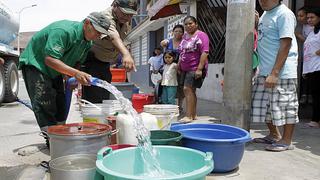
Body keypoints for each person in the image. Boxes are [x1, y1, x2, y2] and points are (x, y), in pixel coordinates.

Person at [19, 12, 111, 147]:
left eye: (101, 34)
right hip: (36, 64)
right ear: (87, 23)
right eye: (97, 31)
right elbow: (49, 59)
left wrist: (72, 77)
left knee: (60, 101)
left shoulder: (87, 43)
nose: (98, 36)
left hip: (56, 70)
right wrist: (76, 73)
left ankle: (60, 135)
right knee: (45, 101)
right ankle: (53, 141)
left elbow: (78, 62)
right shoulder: (63, 31)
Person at [252, 0, 299, 152]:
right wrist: (257, 21)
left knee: (286, 106)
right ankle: (274, 134)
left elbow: (285, 44)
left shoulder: (284, 14)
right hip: (265, 70)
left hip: (281, 72)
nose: (263, 1)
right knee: (264, 106)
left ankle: (287, 141)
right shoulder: (266, 13)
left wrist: (275, 73)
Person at [82, 0, 136, 103]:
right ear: (114, 5)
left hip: (104, 63)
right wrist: (126, 54)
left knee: (104, 96)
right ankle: (93, 118)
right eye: (125, 13)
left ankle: (100, 117)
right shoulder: (105, 17)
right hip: (92, 61)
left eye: (131, 15)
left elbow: (122, 40)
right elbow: (114, 37)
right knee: (94, 98)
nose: (127, 18)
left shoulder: (123, 20)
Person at [177, 16, 209, 123]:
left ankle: (188, 116)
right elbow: (182, 52)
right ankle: (193, 114)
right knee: (191, 90)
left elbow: (205, 52)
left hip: (195, 67)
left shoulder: (201, 35)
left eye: (190, 23)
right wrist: (179, 65)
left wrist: (199, 68)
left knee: (187, 89)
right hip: (184, 69)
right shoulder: (185, 36)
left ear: (196, 24)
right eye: (185, 24)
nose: (188, 26)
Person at [160, 24, 185, 112]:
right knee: (168, 85)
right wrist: (164, 42)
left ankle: (179, 105)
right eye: (176, 31)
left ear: (183, 33)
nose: (178, 33)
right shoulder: (169, 41)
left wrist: (179, 67)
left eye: (180, 31)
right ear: (172, 32)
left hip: (180, 67)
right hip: (169, 67)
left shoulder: (184, 41)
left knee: (180, 86)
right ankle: (169, 106)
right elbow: (162, 43)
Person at [302, 7, 320, 128]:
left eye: (312, 17)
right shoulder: (312, 32)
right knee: (315, 94)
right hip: (312, 68)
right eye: (307, 17)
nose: (309, 20)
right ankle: (316, 119)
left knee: (318, 95)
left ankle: (316, 120)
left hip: (319, 68)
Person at [295, 7, 313, 104]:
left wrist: (298, 35)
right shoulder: (303, 26)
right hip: (304, 56)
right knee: (304, 76)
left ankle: (308, 95)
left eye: (301, 16)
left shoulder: (312, 27)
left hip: (312, 57)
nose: (299, 18)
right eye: (298, 16)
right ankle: (304, 95)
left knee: (309, 76)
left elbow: (309, 42)